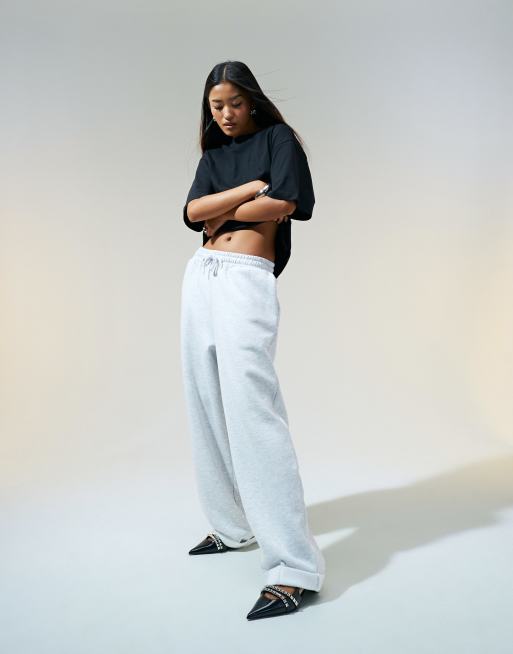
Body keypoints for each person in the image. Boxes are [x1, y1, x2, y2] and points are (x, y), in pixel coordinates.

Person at [180, 60, 325, 620]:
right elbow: (192, 213)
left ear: (253, 101)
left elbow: (284, 201)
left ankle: (293, 567)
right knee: (206, 400)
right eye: (216, 106)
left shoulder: (278, 139)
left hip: (245, 279)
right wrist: (244, 192)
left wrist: (220, 212)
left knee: (252, 408)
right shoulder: (214, 157)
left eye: (234, 103)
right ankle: (234, 525)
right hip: (201, 277)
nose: (225, 114)